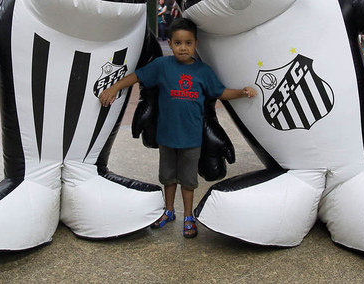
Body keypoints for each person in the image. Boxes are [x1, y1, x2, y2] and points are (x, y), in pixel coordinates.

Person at [98, 18, 257, 238]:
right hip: (167, 137)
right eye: (178, 43)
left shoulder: (203, 71)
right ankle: (169, 211)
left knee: (189, 181)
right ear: (171, 44)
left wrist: (241, 92)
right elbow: (137, 76)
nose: (183, 47)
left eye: (188, 43)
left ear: (195, 44)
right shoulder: (162, 66)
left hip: (192, 139)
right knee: (168, 177)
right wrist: (115, 87)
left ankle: (188, 216)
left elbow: (220, 92)